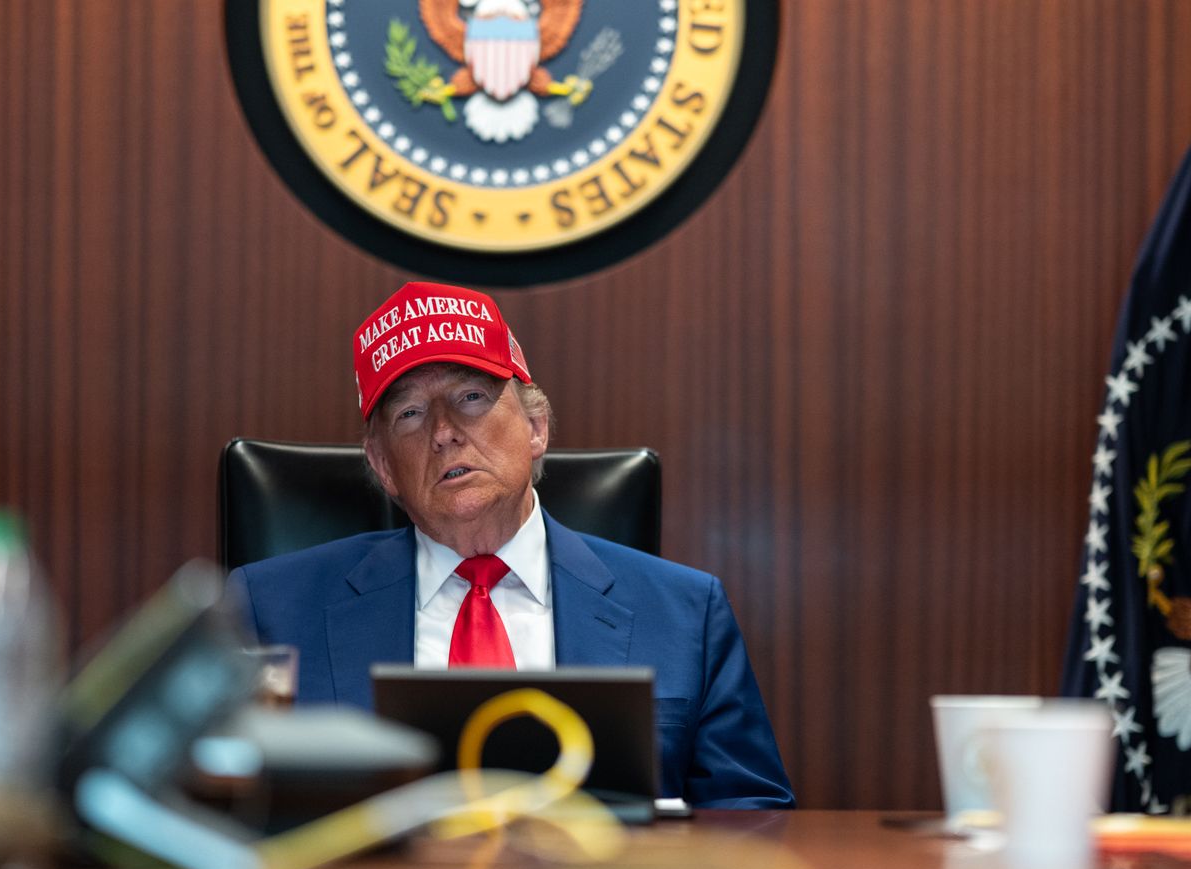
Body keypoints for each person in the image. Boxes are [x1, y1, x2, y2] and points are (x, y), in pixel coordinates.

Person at [226, 282, 795, 809]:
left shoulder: (686, 613)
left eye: (472, 396)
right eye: (410, 413)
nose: (443, 431)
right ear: (383, 467)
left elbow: (753, 821)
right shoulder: (270, 610)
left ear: (535, 428)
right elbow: (224, 814)